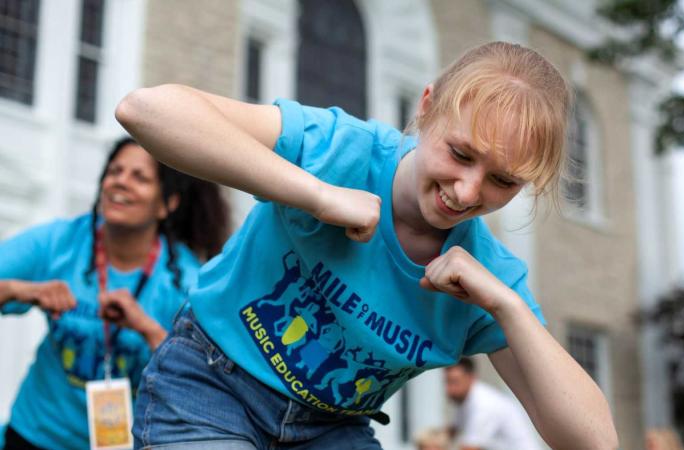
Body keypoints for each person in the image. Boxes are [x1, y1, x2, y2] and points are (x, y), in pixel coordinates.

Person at [116, 41, 618, 449]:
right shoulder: (338, 147)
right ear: (427, 108)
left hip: (333, 430)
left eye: (503, 182)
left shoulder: (486, 277)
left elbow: (594, 443)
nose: (467, 192)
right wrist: (315, 194)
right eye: (460, 154)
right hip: (213, 381)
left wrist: (507, 306)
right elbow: (145, 110)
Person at [0, 137, 230, 450]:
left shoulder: (185, 282)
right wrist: (24, 290)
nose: (120, 182)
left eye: (140, 177)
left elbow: (207, 386)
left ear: (166, 204)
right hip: (35, 437)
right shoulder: (60, 242)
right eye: (114, 171)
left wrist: (145, 327)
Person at [445, 357, 544, 450]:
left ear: (470, 378)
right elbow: (452, 431)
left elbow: (470, 448)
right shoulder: (465, 400)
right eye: (447, 382)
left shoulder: (484, 404)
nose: (449, 389)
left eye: (455, 382)